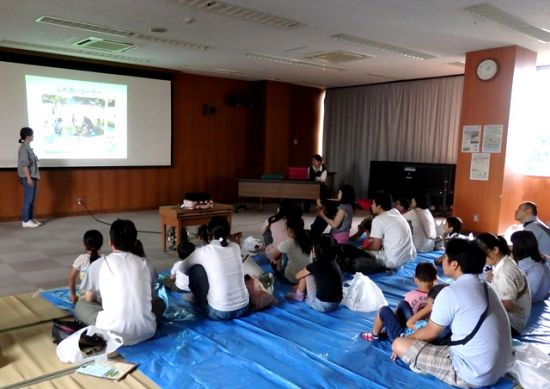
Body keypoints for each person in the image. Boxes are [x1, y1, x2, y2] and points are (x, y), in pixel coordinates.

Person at [392, 239, 513, 388]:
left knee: (398, 344)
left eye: (445, 257)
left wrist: (406, 339)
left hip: (472, 374)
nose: (442, 260)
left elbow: (430, 333)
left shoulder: (450, 292)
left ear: (454, 264)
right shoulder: (488, 287)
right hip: (500, 368)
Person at [75, 219, 157, 346]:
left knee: (81, 304)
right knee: (160, 303)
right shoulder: (146, 264)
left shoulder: (99, 264)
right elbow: (150, 299)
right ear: (134, 241)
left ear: (110, 242)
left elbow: (89, 298)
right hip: (147, 330)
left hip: (111, 332)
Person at [179, 216, 249, 320]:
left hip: (219, 311)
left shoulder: (204, 251)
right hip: (243, 308)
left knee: (196, 268)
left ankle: (196, 298)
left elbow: (182, 268)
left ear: (209, 232)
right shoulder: (235, 247)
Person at [339, 191, 416, 274]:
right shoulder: (395, 212)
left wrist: (363, 249)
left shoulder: (378, 219)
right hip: (408, 257)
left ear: (379, 206)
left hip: (392, 261)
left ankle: (382, 268)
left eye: (373, 203)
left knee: (350, 250)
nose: (371, 206)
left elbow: (375, 246)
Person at [360, 262, 437, 342]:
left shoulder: (411, 295)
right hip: (419, 327)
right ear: (435, 279)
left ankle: (374, 335)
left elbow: (409, 323)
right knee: (403, 304)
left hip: (406, 337)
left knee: (384, 311)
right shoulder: (438, 297)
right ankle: (389, 329)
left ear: (415, 279)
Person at [476, 233, 531, 335]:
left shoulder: (505, 272)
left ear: (495, 250)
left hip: (511, 324)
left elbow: (508, 305)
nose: (480, 258)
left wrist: (481, 301)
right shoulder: (505, 261)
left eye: (482, 254)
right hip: (517, 317)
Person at [286, 235, 343, 313]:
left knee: (306, 274)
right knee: (315, 275)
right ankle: (303, 291)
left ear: (316, 251)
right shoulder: (334, 263)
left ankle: (299, 296)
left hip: (321, 305)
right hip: (336, 303)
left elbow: (297, 276)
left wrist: (306, 268)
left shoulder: (315, 265)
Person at [270, 217, 312, 284]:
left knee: (275, 261)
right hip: (308, 277)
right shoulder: (309, 235)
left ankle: (280, 276)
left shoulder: (288, 242)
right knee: (287, 255)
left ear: (290, 230)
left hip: (293, 279)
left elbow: (275, 256)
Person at [511, 230, 550, 303]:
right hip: (539, 299)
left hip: (529, 302)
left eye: (513, 245)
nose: (512, 248)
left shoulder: (525, 263)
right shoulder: (542, 262)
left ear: (518, 247)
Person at [68, 230, 104, 304]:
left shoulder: (81, 259)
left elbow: (71, 278)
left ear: (84, 244)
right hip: (102, 297)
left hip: (85, 297)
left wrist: (73, 295)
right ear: (101, 244)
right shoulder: (104, 259)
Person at [17, 127, 41, 228]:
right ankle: (25, 220)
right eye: (32, 135)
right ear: (27, 136)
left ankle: (31, 218)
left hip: (33, 176)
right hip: (28, 176)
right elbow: (24, 165)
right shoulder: (23, 148)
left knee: (32, 199)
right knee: (28, 199)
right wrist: (29, 178)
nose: (33, 136)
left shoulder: (27, 147)